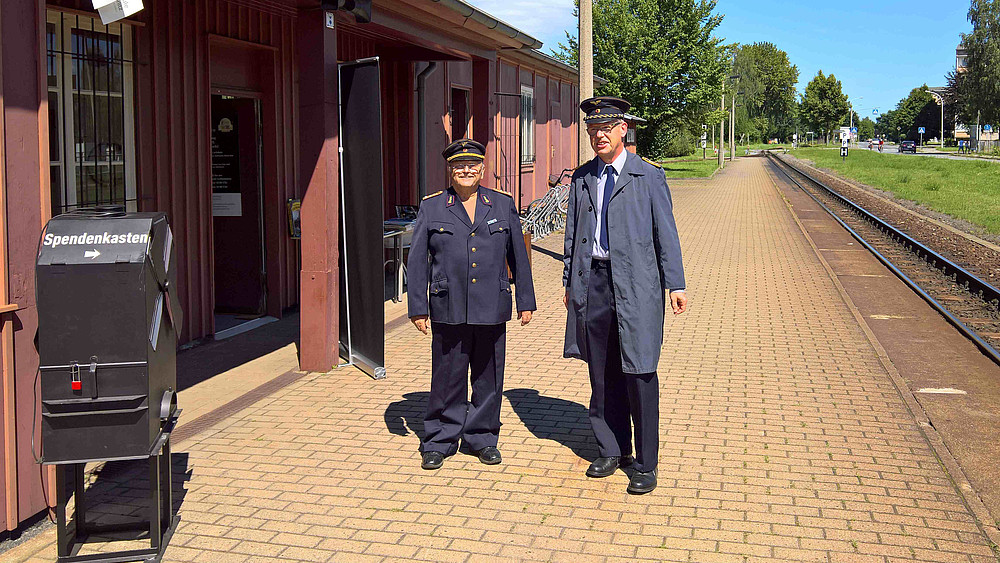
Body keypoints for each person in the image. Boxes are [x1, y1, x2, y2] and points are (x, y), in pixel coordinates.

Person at [562, 96, 687, 495]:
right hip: (594, 282)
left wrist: (676, 284)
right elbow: (572, 237)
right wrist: (570, 282)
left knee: (640, 370)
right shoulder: (582, 178)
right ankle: (612, 449)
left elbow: (666, 234)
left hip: (636, 286)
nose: (598, 135)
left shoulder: (647, 176)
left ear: (622, 130)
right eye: (592, 129)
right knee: (601, 372)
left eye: (606, 128)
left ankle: (646, 463)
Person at [407, 138, 536, 471]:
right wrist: (418, 307)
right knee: (447, 376)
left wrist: (525, 300)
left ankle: (482, 437)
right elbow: (419, 259)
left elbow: (518, 257)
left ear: (482, 168)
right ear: (449, 170)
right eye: (458, 166)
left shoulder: (503, 205)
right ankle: (440, 438)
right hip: (447, 305)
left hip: (491, 304)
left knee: (488, 376)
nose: (466, 171)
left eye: (472, 165)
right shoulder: (432, 207)